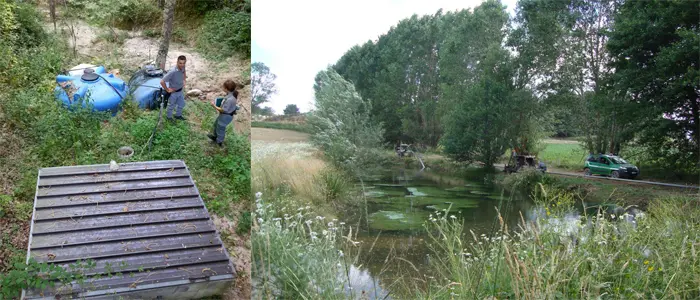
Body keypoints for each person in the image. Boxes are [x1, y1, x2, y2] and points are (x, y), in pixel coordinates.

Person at [208, 79, 238, 147]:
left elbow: (223, 110)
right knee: (217, 125)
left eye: (223, 87)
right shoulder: (231, 95)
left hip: (225, 116)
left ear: (226, 89)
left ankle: (219, 142)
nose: (222, 88)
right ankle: (215, 137)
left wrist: (214, 106)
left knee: (221, 129)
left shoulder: (230, 99)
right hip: (224, 116)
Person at [160, 55, 188, 121]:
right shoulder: (173, 71)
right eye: (180, 63)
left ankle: (178, 115)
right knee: (171, 106)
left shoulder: (183, 67)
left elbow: (184, 72)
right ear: (177, 62)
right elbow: (162, 81)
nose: (182, 65)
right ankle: (169, 117)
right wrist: (167, 89)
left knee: (181, 104)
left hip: (180, 91)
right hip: (173, 93)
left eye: (184, 63)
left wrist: (184, 80)